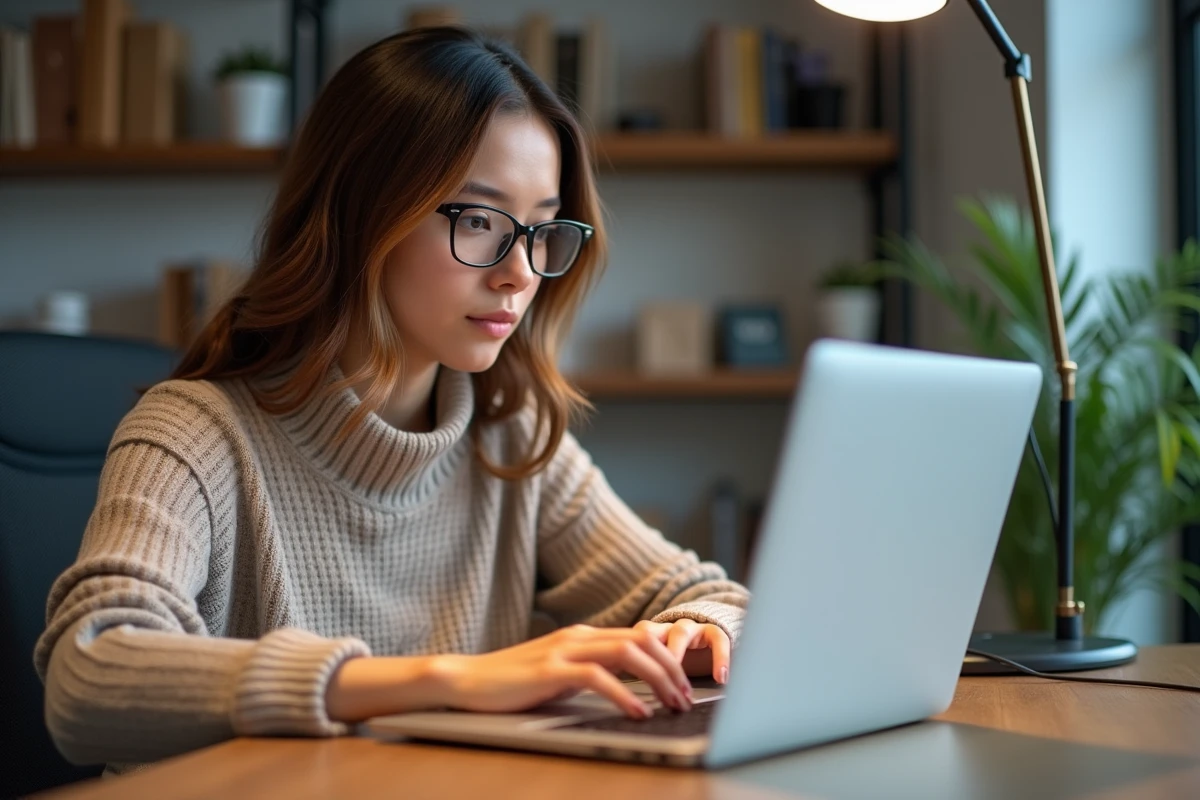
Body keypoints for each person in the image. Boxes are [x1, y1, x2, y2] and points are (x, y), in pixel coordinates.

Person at [34, 26, 750, 777]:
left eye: (542, 229)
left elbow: (710, 595)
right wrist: (444, 680)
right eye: (478, 220)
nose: (520, 275)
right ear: (362, 213)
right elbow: (88, 678)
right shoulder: (193, 434)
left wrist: (697, 631)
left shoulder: (510, 435)